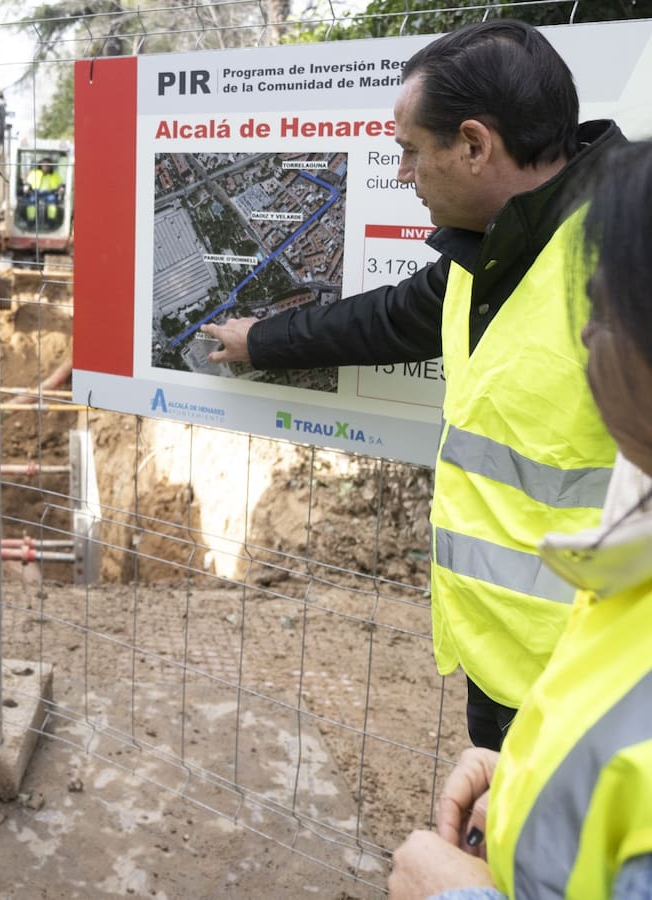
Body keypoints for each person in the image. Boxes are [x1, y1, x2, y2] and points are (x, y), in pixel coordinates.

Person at [200, 19, 625, 751]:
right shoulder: (494, 251)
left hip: (594, 691)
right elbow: (390, 319)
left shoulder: (624, 265)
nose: (401, 174)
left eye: (407, 153)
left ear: (473, 144)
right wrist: (261, 339)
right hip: (505, 664)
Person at [388, 139, 652, 900]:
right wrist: (532, 775)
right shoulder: (627, 579)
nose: (582, 335)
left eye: (605, 307)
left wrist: (450, 894)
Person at [24, 157, 64, 227]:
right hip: (36, 192)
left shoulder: (55, 175)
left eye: (48, 165)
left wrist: (61, 188)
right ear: (41, 165)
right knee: (32, 200)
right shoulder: (34, 173)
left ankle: (51, 221)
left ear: (51, 166)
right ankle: (31, 220)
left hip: (49, 193)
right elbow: (28, 182)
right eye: (44, 165)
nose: (46, 167)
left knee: (52, 201)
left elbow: (60, 184)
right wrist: (26, 187)